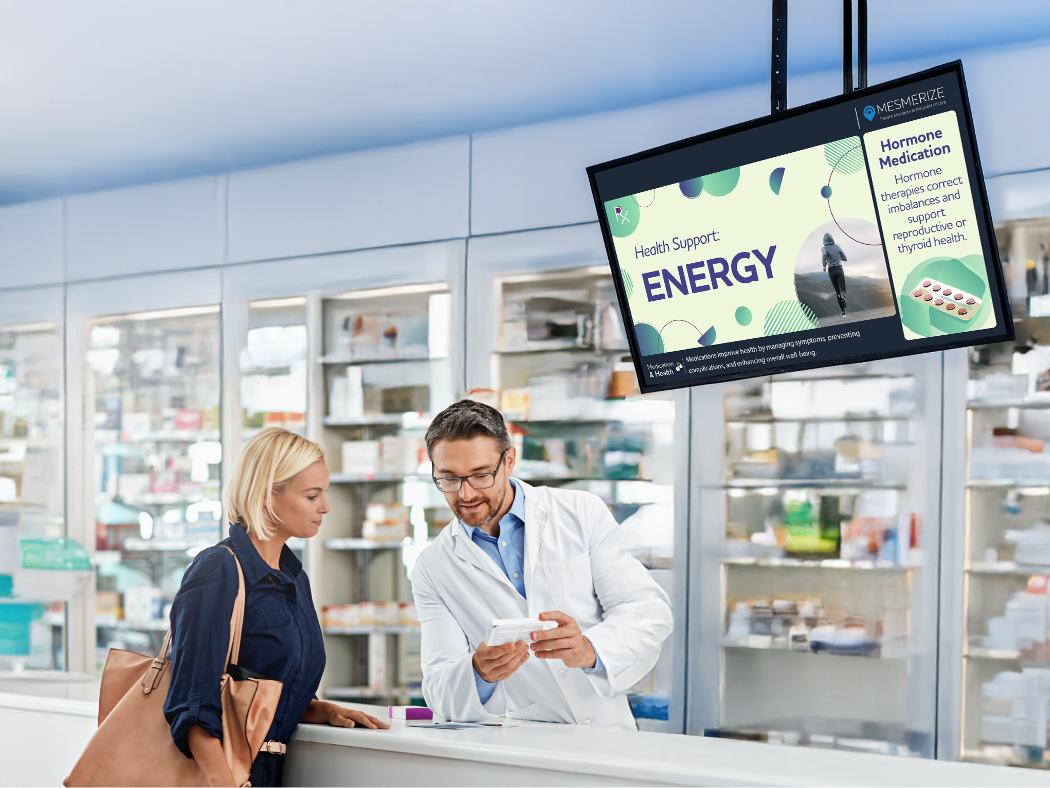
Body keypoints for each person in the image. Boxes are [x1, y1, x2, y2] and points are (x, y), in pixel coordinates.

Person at [411, 400, 673, 728]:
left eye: (480, 475)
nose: (465, 494)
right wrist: (479, 673)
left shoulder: (581, 512)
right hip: (524, 746)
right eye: (448, 478)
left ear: (509, 461)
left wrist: (589, 650)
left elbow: (647, 610)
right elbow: (439, 689)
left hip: (608, 737)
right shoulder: (433, 567)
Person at [163, 427, 387, 788]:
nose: (325, 507)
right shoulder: (218, 569)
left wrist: (320, 709)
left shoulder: (294, 577)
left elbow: (265, 690)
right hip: (222, 777)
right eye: (312, 495)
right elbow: (191, 707)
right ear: (266, 495)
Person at [821, 231, 848, 316]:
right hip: (839, 269)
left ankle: (843, 312)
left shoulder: (824, 248)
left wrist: (824, 265)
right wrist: (839, 257)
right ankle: (843, 296)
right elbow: (845, 258)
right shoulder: (837, 246)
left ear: (824, 241)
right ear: (832, 239)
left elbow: (824, 255)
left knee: (837, 292)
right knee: (842, 290)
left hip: (831, 271)